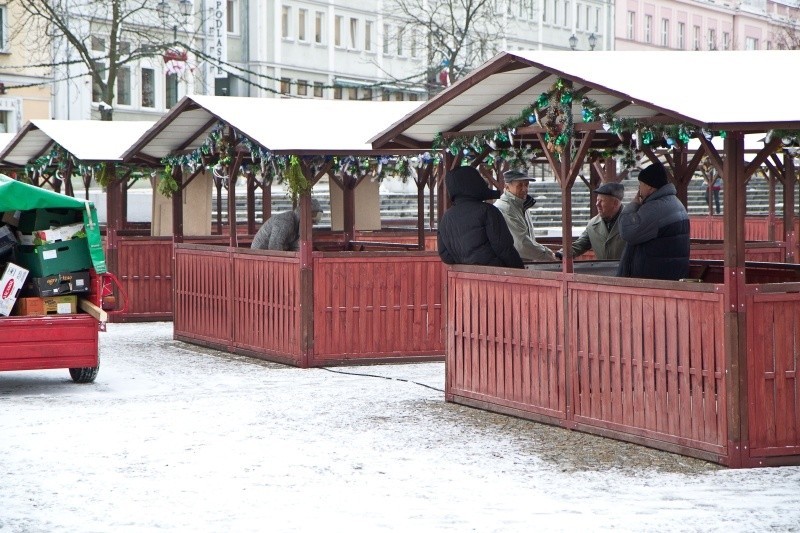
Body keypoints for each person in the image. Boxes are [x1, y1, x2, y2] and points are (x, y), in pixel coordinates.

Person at [438, 166, 523, 268]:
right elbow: (504, 248)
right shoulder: (488, 211)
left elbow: (445, 256)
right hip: (495, 276)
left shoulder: (446, 217)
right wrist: (520, 270)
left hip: (462, 280)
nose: (484, 182)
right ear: (473, 183)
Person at [617, 161, 690, 280]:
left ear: (650, 186)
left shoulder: (656, 209)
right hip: (668, 275)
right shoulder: (674, 203)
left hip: (654, 278)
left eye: (640, 184)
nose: (639, 188)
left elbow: (627, 231)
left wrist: (634, 204)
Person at [494, 169, 556, 262]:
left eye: (526, 185)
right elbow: (521, 244)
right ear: (506, 187)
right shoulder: (506, 208)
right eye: (519, 186)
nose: (525, 189)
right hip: (512, 266)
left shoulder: (521, 204)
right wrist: (548, 254)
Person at [555, 182, 626, 261]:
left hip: (630, 272)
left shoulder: (633, 222)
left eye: (601, 201)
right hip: (603, 271)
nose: (597, 204)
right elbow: (580, 244)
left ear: (615, 203)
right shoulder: (592, 224)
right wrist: (561, 254)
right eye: (597, 200)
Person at [251, 198, 323, 251]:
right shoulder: (285, 221)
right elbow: (274, 246)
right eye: (313, 214)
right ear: (305, 213)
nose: (312, 225)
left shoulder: (297, 227)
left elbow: (295, 247)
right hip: (260, 256)